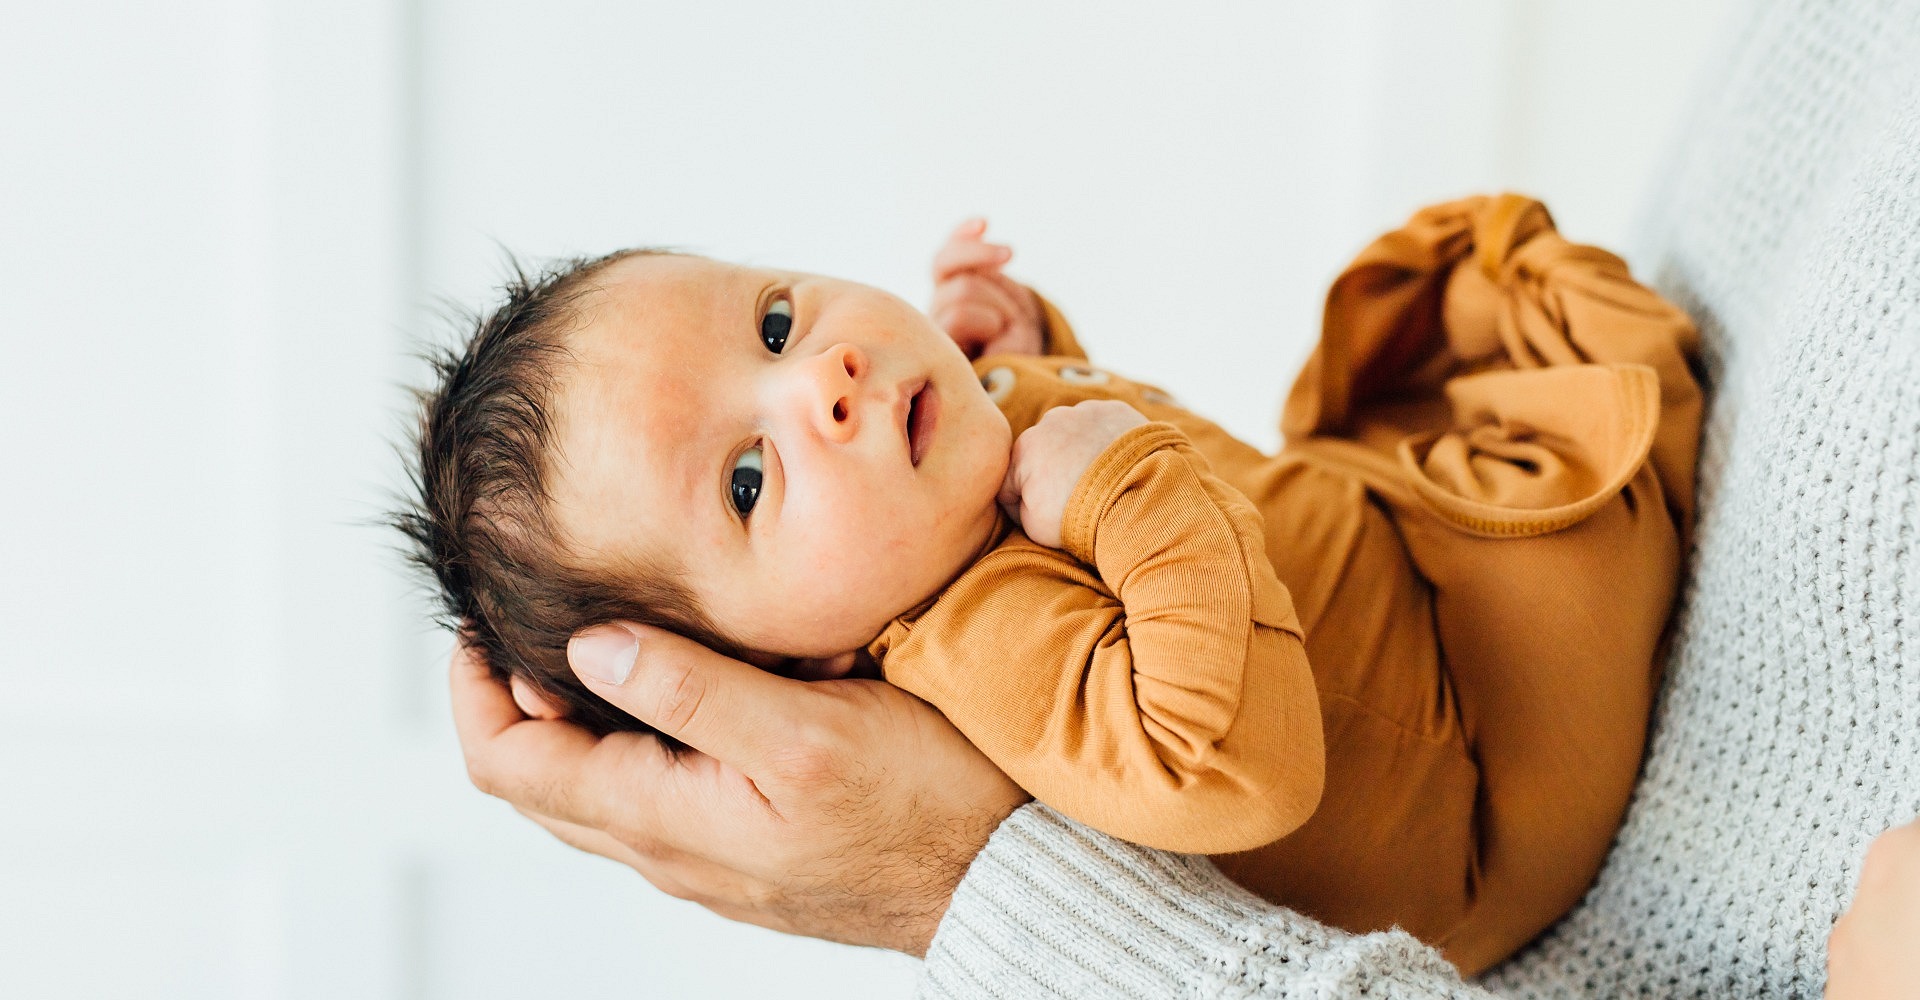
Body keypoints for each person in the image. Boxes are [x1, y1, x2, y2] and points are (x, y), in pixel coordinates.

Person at [402, 194, 1703, 972]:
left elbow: (1107, 462)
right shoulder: (980, 645)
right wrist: (1120, 483)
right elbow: (1227, 764)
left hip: (1372, 595)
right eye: (748, 481)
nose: (820, 382)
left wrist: (1030, 357)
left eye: (777, 322)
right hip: (1491, 755)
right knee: (1568, 362)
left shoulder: (935, 501)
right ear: (792, 671)